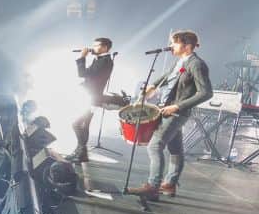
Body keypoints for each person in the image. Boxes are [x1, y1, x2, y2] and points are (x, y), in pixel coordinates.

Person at [126, 30, 213, 200]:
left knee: (154, 146)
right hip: (167, 109)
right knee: (175, 149)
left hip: (176, 113)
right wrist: (152, 86)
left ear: (187, 46)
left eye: (174, 42)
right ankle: (170, 184)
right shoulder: (180, 61)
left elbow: (206, 93)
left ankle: (153, 186)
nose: (170, 46)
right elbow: (166, 76)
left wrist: (177, 106)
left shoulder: (196, 64)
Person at [68, 37, 114, 163]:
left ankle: (81, 152)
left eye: (96, 45)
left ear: (105, 47)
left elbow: (82, 73)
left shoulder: (104, 61)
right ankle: (80, 153)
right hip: (90, 96)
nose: (93, 47)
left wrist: (82, 57)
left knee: (77, 124)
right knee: (84, 125)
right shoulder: (100, 59)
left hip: (92, 97)